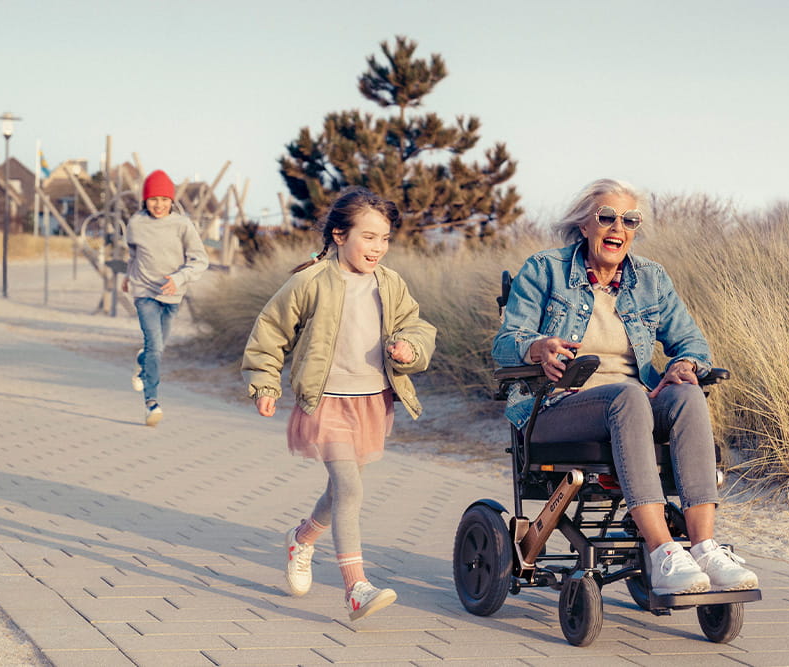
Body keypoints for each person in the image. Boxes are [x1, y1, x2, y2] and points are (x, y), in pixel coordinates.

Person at [492, 178, 757, 596]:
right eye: (607, 217)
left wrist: (684, 364)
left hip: (633, 405)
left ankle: (704, 547)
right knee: (628, 393)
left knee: (686, 394)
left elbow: (691, 341)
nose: (618, 227)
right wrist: (538, 347)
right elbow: (504, 344)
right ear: (584, 225)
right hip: (557, 407)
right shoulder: (545, 270)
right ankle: (663, 551)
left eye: (629, 220)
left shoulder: (651, 278)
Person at [242, 187, 436, 621]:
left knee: (340, 489)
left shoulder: (390, 283)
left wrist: (409, 347)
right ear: (339, 235)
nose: (378, 248)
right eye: (369, 237)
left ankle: (302, 538)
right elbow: (271, 331)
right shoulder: (310, 280)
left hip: (371, 402)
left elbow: (417, 326)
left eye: (385, 238)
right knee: (350, 488)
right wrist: (264, 383)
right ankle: (356, 589)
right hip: (325, 401)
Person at [123, 169, 208, 426]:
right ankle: (152, 403)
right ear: (144, 200)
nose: (158, 205)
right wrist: (129, 275)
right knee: (155, 346)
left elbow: (200, 260)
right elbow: (134, 255)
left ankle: (142, 361)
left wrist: (179, 279)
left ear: (172, 201)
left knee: (156, 348)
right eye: (153, 199)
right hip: (144, 291)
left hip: (172, 293)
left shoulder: (182, 225)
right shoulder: (135, 224)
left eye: (164, 199)